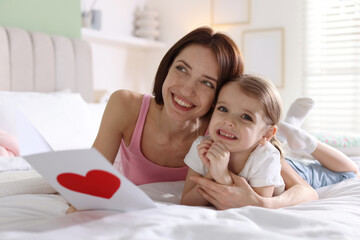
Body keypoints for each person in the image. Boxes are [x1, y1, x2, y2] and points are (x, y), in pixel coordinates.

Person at [67, 26, 347, 213]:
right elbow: (87, 180)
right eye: (182, 69)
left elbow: (304, 190)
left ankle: (297, 136)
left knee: (344, 170)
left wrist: (261, 202)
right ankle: (292, 131)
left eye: (207, 83)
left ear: (221, 95)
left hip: (274, 163)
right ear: (167, 65)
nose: (186, 90)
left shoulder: (221, 130)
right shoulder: (125, 106)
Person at [181, 75, 359, 207]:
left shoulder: (266, 158)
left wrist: (223, 176)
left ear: (266, 134)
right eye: (223, 108)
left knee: (350, 172)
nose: (229, 121)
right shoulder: (201, 146)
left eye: (245, 117)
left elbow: (249, 203)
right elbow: (187, 200)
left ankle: (305, 141)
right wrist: (213, 172)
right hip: (260, 144)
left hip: (291, 170)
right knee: (268, 145)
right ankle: (285, 131)